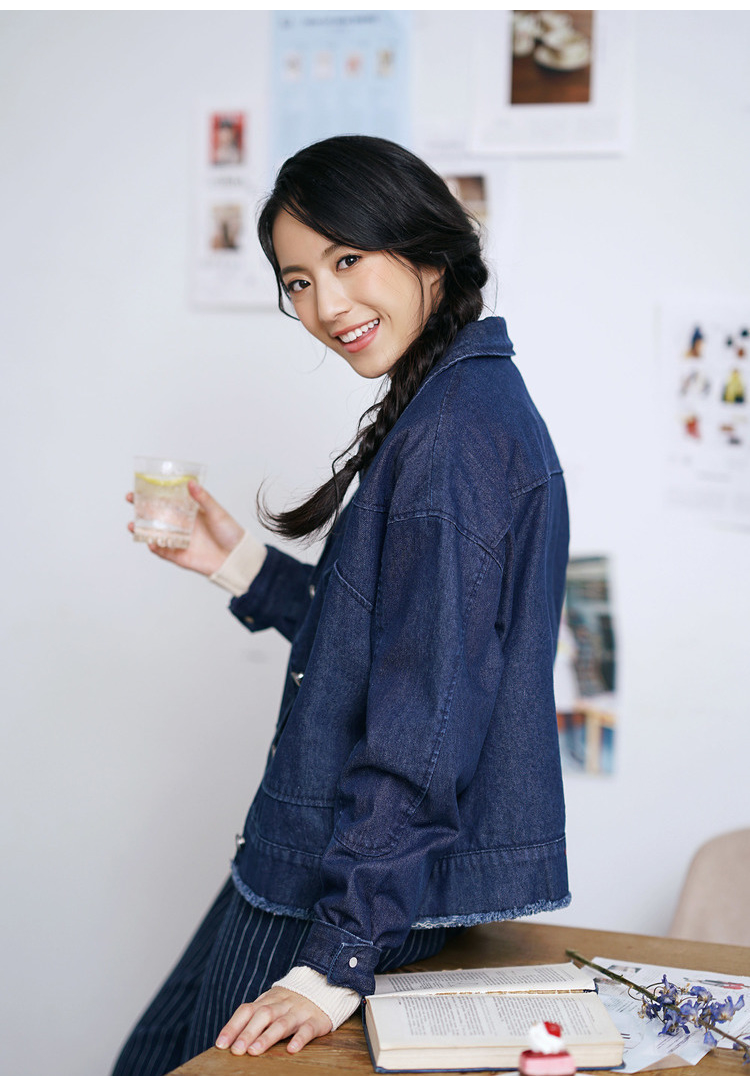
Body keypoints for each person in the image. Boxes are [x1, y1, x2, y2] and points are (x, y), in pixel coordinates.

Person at [115, 135, 570, 1076]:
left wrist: (337, 959)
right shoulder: (458, 403)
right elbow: (385, 643)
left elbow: (424, 719)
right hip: (314, 866)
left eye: (347, 259)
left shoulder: (452, 435)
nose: (325, 305)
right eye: (298, 281)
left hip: (336, 886)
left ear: (426, 245)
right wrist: (237, 564)